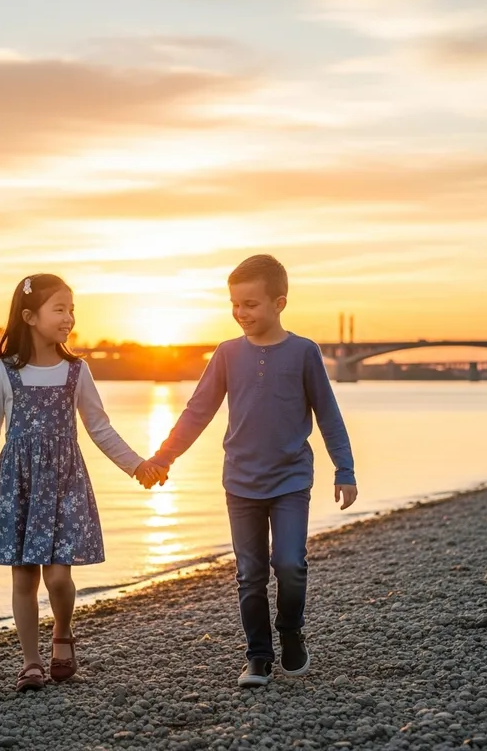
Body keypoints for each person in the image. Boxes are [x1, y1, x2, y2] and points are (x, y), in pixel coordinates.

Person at [145, 255, 357, 687]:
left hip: (291, 480)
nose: (241, 313)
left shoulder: (303, 352)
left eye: (251, 304)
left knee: (290, 563)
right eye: (234, 304)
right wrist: (164, 456)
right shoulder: (226, 354)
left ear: (279, 303)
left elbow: (328, 414)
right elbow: (197, 411)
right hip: (240, 482)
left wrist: (345, 469)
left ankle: (290, 630)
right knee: (251, 573)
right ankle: (258, 656)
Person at [0, 274, 163, 692]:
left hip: (65, 483)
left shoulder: (75, 370)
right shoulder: (3, 372)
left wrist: (137, 465)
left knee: (59, 578)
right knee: (24, 578)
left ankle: (62, 633)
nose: (69, 318)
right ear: (29, 316)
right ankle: (31, 663)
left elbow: (100, 428)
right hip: (19, 484)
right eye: (60, 309)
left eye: (72, 310)